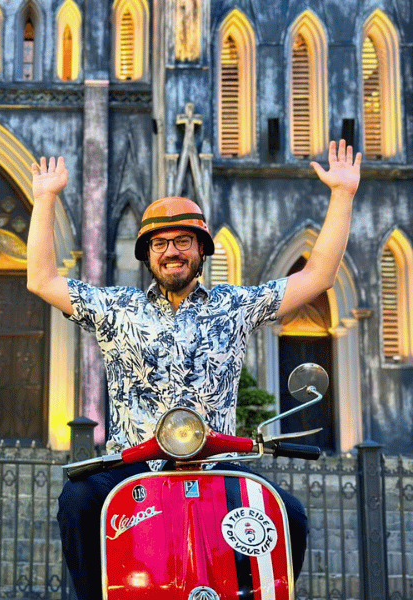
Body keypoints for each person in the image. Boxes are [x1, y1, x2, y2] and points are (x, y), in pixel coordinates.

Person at [26, 140, 361, 599]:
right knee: (78, 501)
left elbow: (317, 276)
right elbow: (41, 279)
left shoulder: (234, 305)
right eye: (161, 243)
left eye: (183, 241)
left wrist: (342, 195)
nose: (172, 251)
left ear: (201, 249)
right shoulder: (116, 308)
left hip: (217, 465)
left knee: (292, 516)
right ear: (147, 255)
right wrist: (45, 200)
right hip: (134, 468)